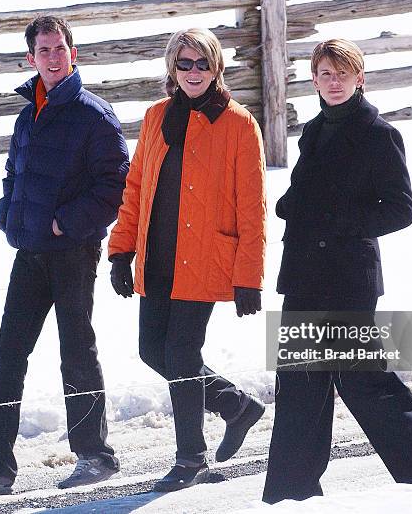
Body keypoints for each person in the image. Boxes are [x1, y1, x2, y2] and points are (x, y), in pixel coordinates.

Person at [262, 39, 412, 504]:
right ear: (313, 80)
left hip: (348, 276)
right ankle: (290, 493)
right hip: (306, 274)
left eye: (342, 74)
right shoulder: (313, 131)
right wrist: (293, 204)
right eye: (325, 75)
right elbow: (313, 192)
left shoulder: (378, 133)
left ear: (359, 78)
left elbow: (400, 209)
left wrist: (339, 222)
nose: (333, 83)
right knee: (299, 382)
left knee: (360, 378)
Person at [0, 16, 129, 495]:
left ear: (73, 52)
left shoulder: (94, 115)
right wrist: (10, 216)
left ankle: (95, 456)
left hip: (72, 252)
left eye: (59, 48)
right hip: (29, 252)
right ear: (31, 57)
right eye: (43, 50)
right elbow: (13, 174)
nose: (52, 56)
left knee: (76, 350)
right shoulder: (28, 115)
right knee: (10, 352)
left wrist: (68, 222)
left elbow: (115, 185)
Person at [108, 28, 266, 492]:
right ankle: (236, 406)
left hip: (206, 257)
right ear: (171, 69)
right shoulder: (156, 116)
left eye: (202, 64)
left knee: (180, 352)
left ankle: (190, 458)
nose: (193, 72)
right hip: (158, 255)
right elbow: (135, 187)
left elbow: (251, 206)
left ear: (216, 67)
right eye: (184, 64)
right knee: (152, 350)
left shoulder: (239, 124)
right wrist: (121, 249)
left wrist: (248, 277)